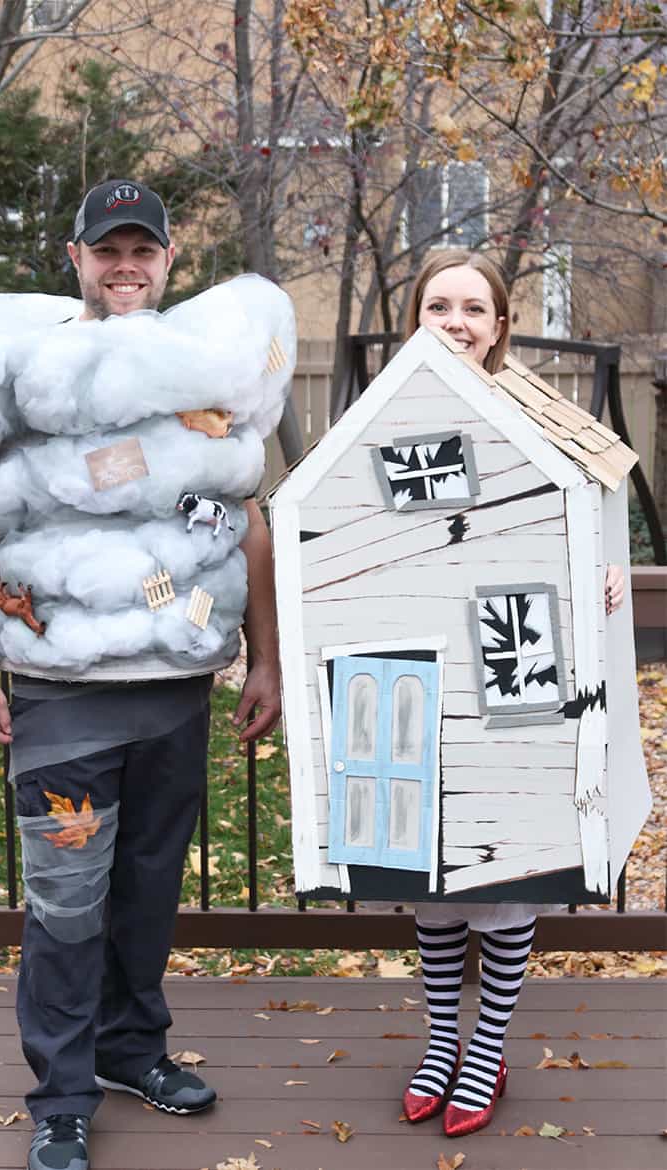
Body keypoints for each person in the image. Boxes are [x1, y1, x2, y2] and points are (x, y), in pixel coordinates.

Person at [0, 180, 284, 1170]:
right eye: (108, 249)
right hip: (60, 699)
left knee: (146, 889)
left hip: (176, 686)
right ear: (75, 257)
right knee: (65, 900)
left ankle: (134, 1051)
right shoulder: (22, 383)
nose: (125, 264)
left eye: (143, 248)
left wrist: (261, 657)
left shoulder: (198, 379)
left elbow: (247, 521)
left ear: (171, 260)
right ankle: (60, 1092)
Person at [400, 250, 624, 1137]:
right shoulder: (393, 414)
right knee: (436, 887)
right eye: (438, 305)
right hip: (427, 671)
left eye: (473, 309)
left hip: (519, 656)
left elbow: (595, 499)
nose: (455, 322)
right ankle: (440, 1042)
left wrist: (603, 563)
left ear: (499, 325)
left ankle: (485, 1052)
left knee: (509, 876)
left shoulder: (538, 413)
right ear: (416, 314)